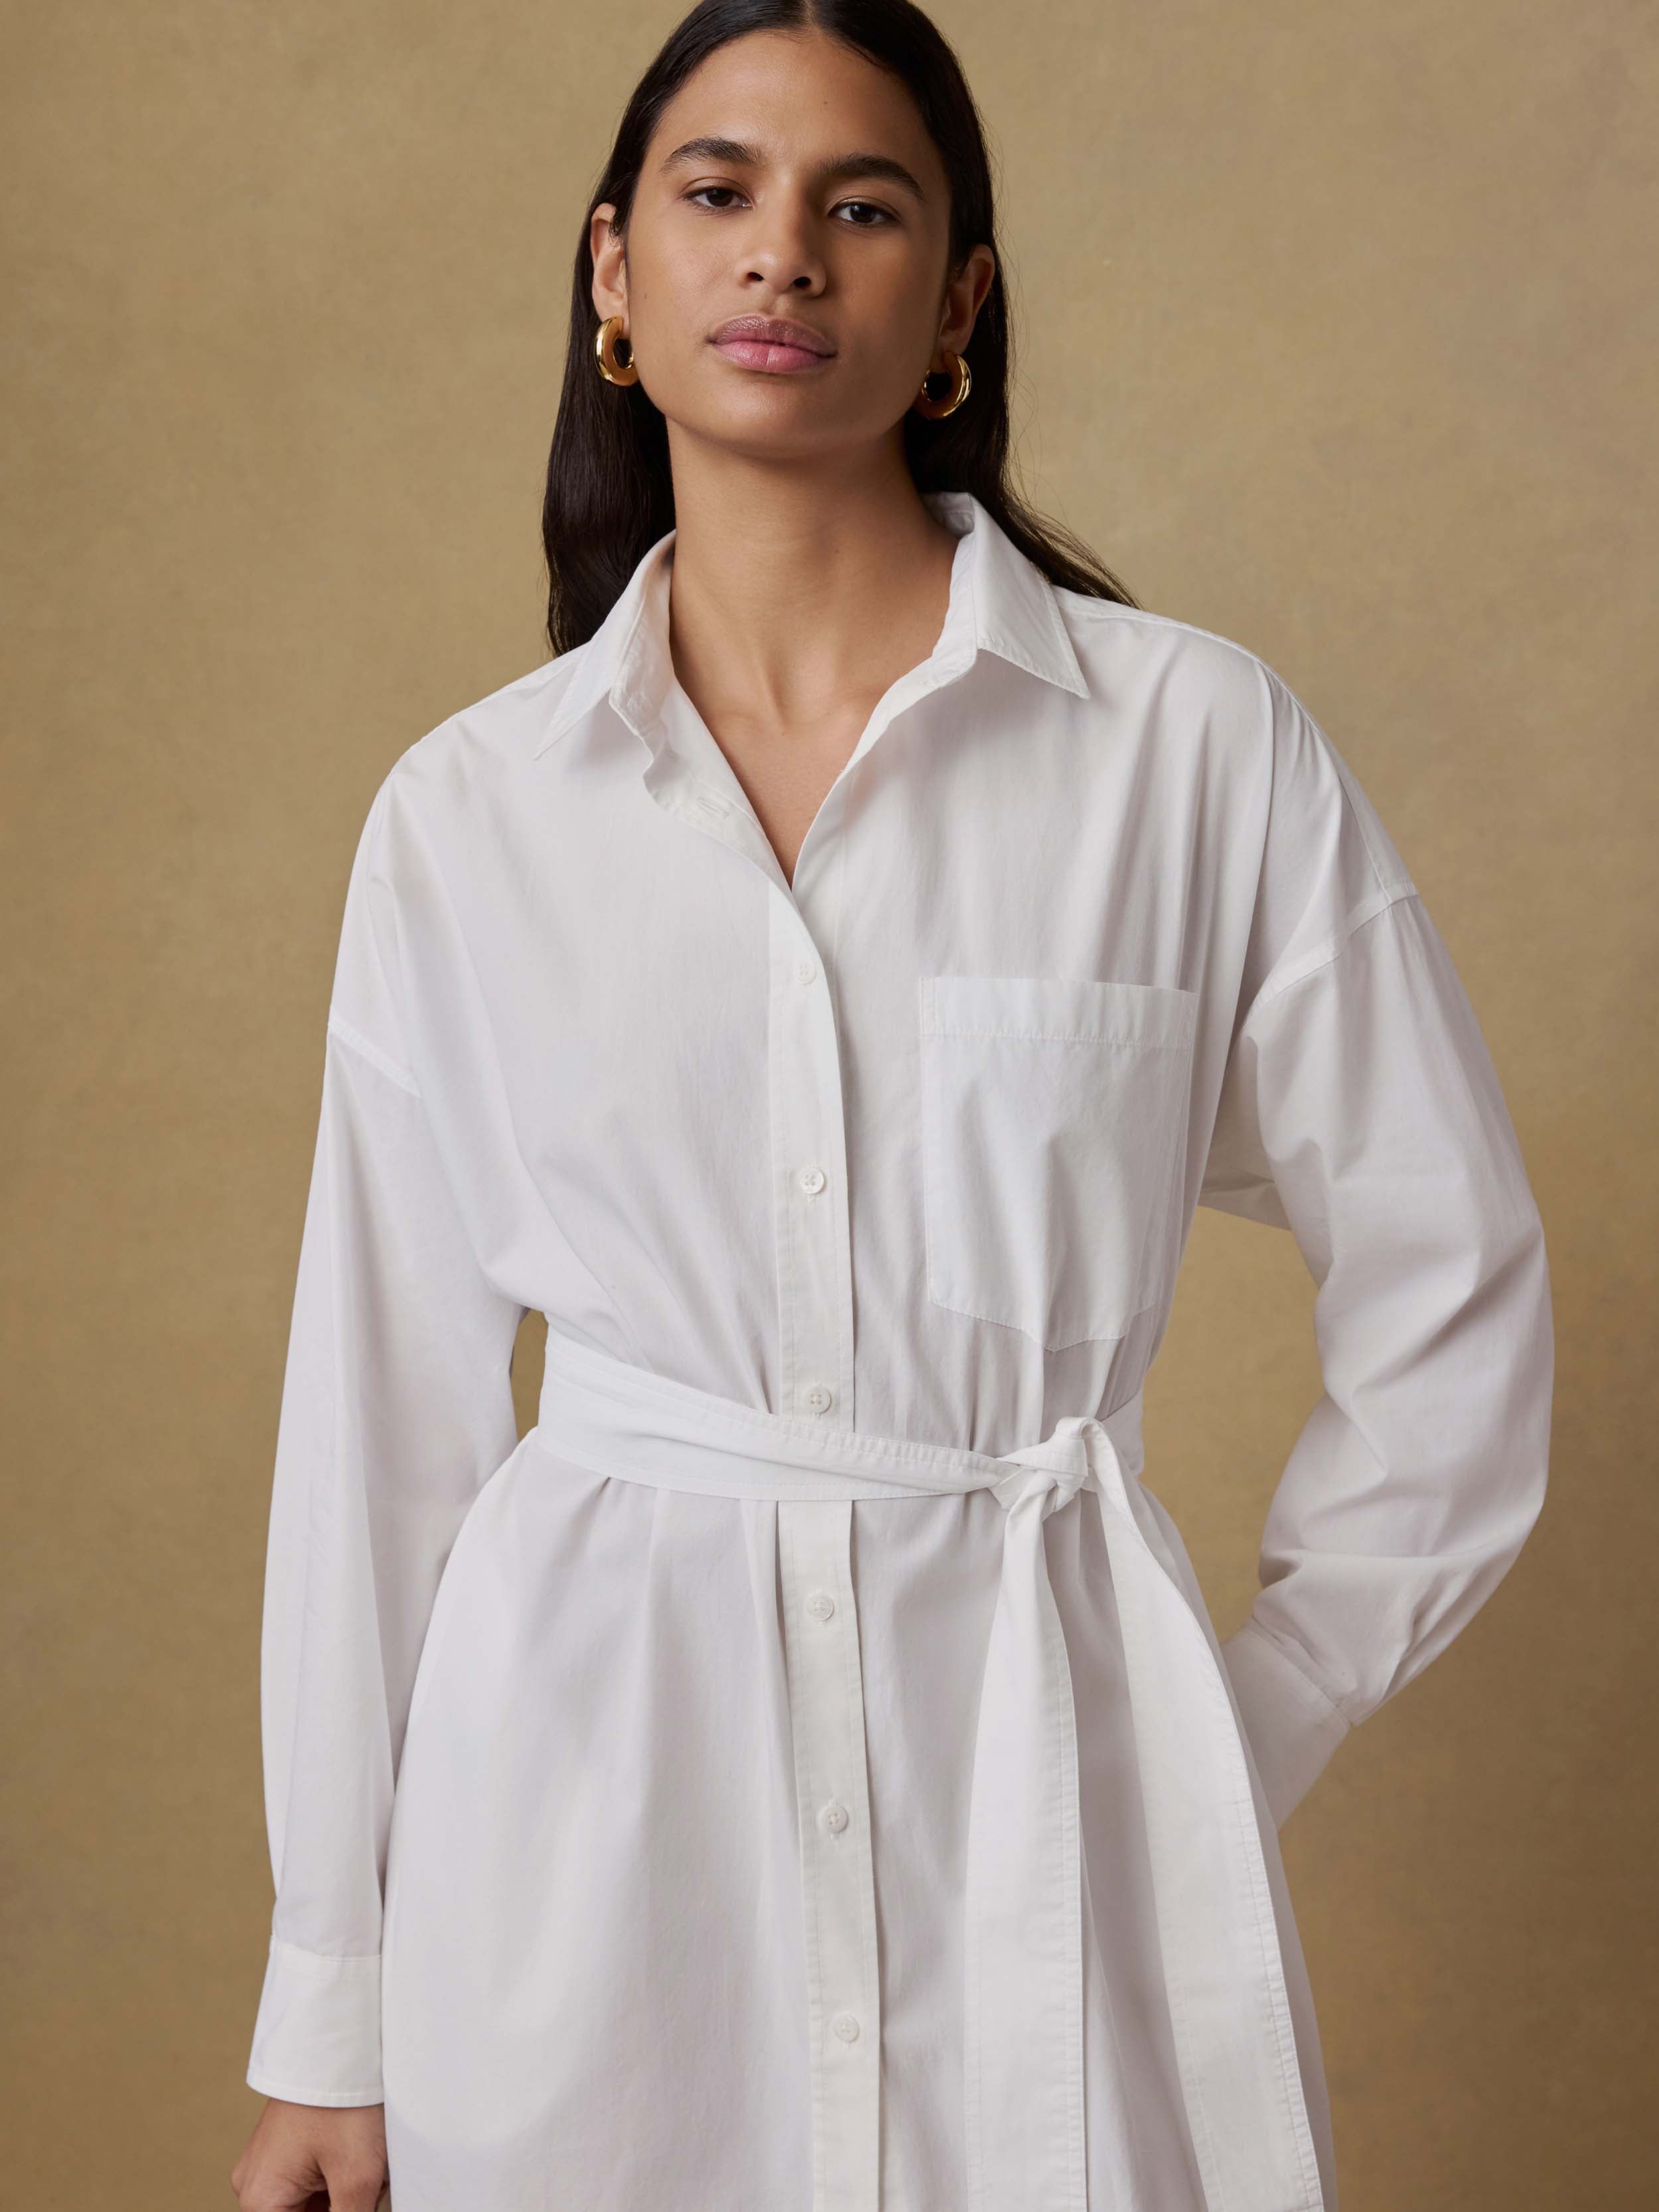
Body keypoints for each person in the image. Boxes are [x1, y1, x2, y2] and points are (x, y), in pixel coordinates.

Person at [230, 4, 1555, 2209]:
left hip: (1051, 1825)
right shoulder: (471, 817)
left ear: (952, 305)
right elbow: (385, 1430)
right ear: (610, 278)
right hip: (585, 1851)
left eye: (862, 206)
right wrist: (330, 2021)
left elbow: (1456, 1304)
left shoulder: (1189, 752)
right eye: (716, 193)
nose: (781, 259)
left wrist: (1227, 1733)